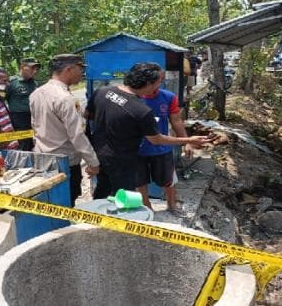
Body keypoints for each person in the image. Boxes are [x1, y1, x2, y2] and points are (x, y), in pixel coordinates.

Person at [85, 62, 214, 199]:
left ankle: (96, 217)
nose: (159, 85)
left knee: (102, 192)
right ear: (148, 84)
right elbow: (156, 139)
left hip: (98, 156)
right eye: (158, 82)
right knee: (121, 198)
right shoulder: (140, 110)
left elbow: (87, 116)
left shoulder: (102, 92)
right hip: (122, 161)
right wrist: (188, 140)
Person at [30, 54, 99, 206]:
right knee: (66, 203)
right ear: (69, 69)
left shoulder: (37, 93)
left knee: (49, 203)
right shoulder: (65, 98)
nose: (82, 75)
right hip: (65, 162)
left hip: (42, 158)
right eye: (80, 70)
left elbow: (35, 126)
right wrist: (93, 162)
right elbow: (77, 135)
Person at [135, 87, 192, 215]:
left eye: (159, 80)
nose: (154, 85)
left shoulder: (168, 97)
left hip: (162, 148)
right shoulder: (134, 97)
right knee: (140, 181)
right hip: (137, 148)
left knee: (169, 180)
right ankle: (147, 207)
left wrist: (187, 142)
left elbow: (176, 121)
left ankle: (172, 205)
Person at [7, 58, 41, 151]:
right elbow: (3, 100)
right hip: (19, 119)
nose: (35, 71)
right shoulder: (12, 83)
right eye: (32, 68)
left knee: (34, 145)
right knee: (23, 146)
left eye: (36, 69)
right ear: (23, 67)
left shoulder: (33, 83)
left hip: (34, 118)